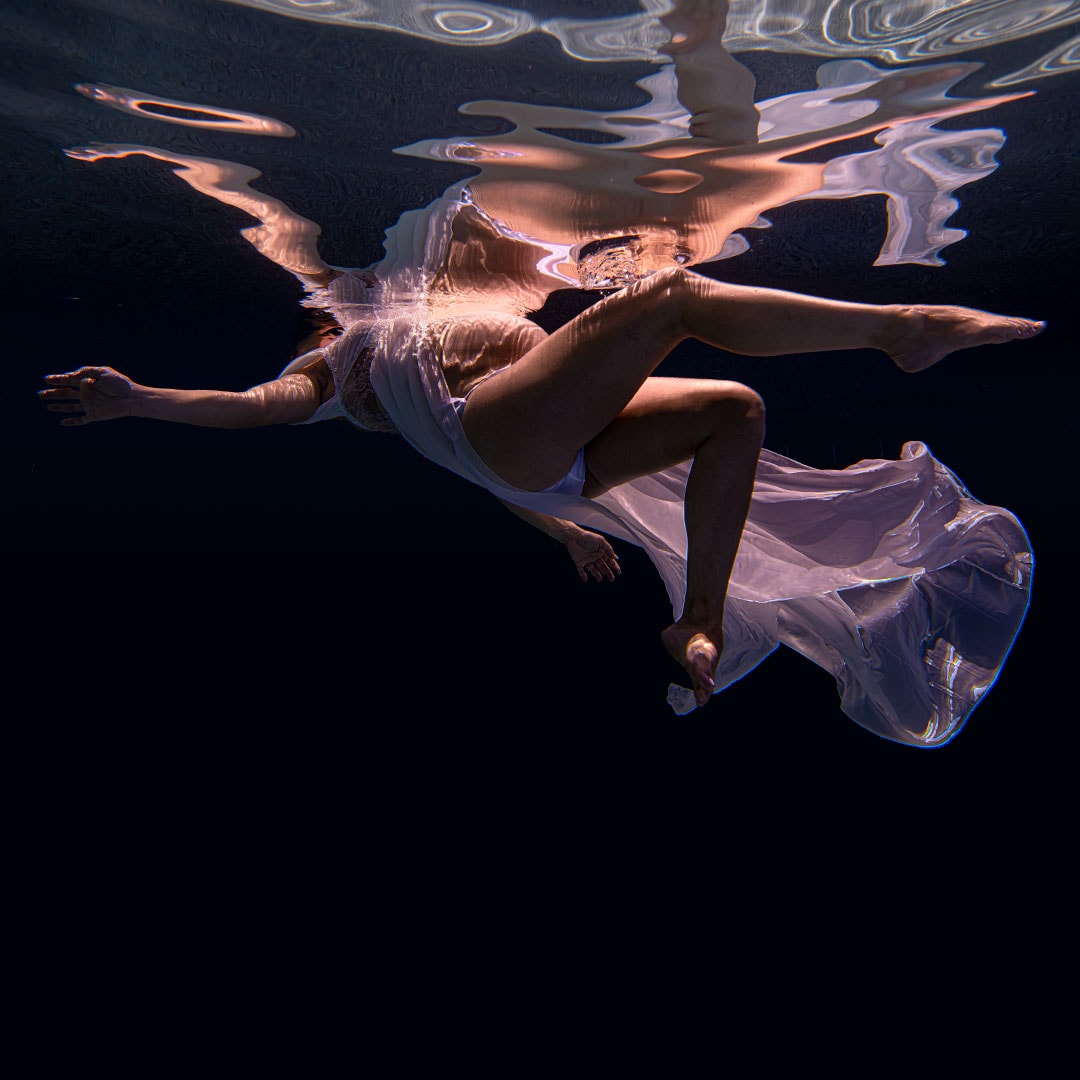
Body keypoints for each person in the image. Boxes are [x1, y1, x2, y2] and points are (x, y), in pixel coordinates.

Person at [41, 0, 1045, 743]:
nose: (314, 318)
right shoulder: (342, 370)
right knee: (673, 298)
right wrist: (141, 402)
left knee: (733, 407)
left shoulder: (372, 347)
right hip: (501, 427)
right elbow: (254, 409)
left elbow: (482, 477)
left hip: (534, 451)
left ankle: (696, 620)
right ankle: (901, 328)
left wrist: (560, 528)